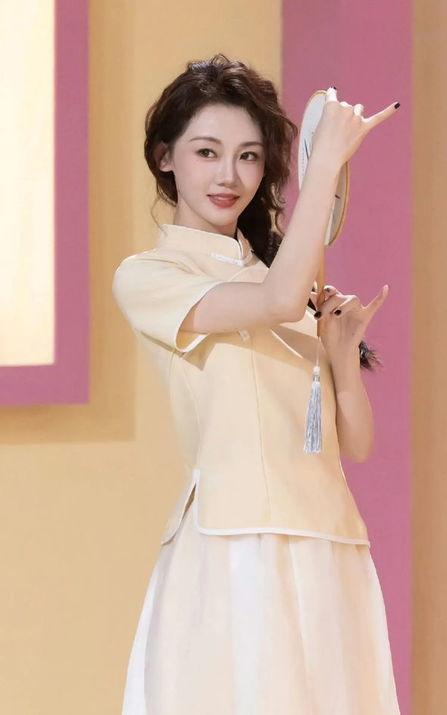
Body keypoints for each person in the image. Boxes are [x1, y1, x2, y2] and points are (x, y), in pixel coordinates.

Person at [112, 52, 401, 714]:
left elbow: (354, 444)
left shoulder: (282, 277)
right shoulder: (151, 276)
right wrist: (325, 165)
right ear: (164, 157)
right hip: (236, 547)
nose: (229, 175)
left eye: (248, 156)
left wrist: (342, 354)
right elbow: (275, 300)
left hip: (330, 543)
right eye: (207, 152)